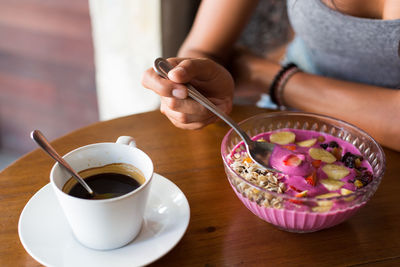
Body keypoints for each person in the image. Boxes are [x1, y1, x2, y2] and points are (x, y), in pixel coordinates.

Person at [142, 0, 400, 151]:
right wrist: (193, 81)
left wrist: (269, 77)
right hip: (288, 120)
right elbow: (203, 48)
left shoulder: (272, 78)